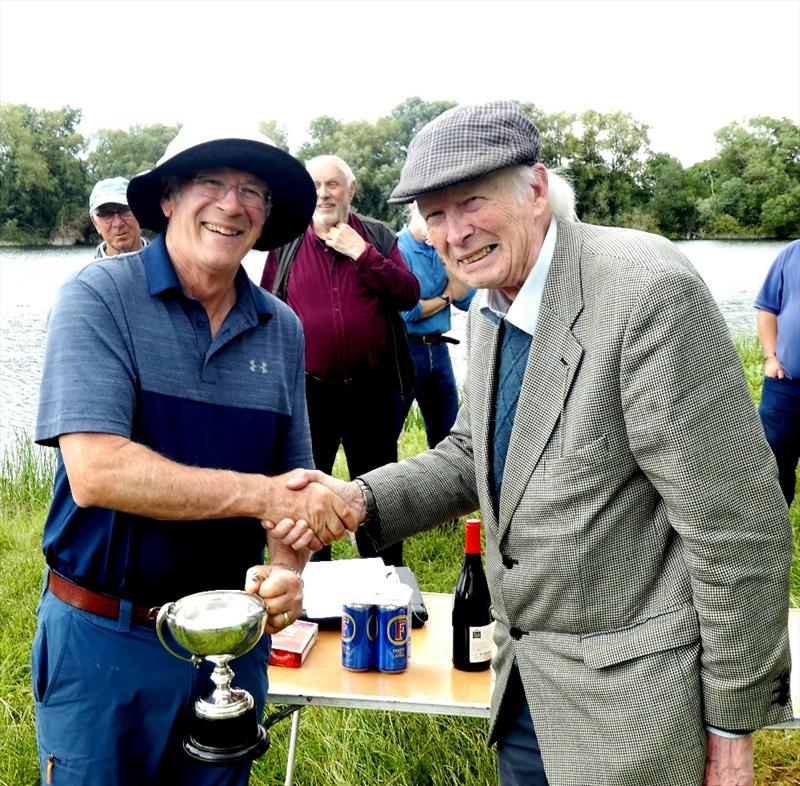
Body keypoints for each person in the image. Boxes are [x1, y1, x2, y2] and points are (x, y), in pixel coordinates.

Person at [279, 102, 794, 786]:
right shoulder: (492, 305)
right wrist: (356, 498)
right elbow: (473, 452)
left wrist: (731, 725)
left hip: (637, 710)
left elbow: (737, 522)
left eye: (471, 201)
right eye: (434, 214)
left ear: (537, 189)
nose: (453, 233)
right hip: (523, 687)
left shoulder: (646, 289)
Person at [32, 125, 357, 786]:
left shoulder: (282, 326)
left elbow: (290, 488)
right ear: (170, 198)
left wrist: (287, 567)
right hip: (105, 641)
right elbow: (97, 473)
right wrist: (261, 495)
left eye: (253, 191)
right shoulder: (98, 298)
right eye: (212, 182)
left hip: (234, 646)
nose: (232, 204)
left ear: (266, 217)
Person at [260, 154, 419, 566]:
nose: (323, 194)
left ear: (351, 190)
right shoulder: (287, 243)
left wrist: (362, 254)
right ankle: (314, 589)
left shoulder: (378, 237)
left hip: (372, 388)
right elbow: (263, 310)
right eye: (314, 186)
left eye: (332, 185)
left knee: (380, 489)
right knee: (309, 490)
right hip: (309, 391)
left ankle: (388, 578)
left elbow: (408, 294)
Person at [396, 201, 475, 447]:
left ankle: (450, 486)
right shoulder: (398, 248)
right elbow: (409, 311)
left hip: (440, 350)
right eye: (428, 212)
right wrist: (446, 296)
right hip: (407, 352)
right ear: (412, 209)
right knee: (388, 432)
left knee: (450, 433)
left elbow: (467, 299)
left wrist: (446, 256)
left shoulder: (444, 248)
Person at [755, 238, 800, 507]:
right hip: (784, 385)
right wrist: (771, 357)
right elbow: (767, 309)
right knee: (772, 461)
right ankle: (773, 531)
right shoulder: (791, 253)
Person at [89, 176, 147, 257]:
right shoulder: (88, 269)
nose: (118, 224)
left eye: (124, 211)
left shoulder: (169, 264)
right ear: (96, 223)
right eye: (107, 214)